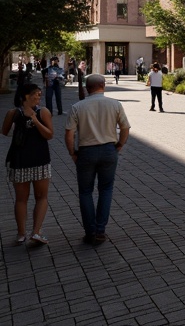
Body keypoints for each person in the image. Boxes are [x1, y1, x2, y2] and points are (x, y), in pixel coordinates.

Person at [65, 73, 130, 245]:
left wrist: (72, 152)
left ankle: (90, 231)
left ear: (87, 87)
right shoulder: (115, 104)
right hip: (109, 150)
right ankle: (100, 230)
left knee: (85, 192)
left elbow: (69, 133)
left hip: (86, 151)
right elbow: (125, 127)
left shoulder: (78, 106)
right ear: (103, 85)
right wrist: (120, 145)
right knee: (106, 189)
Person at [3, 82, 54, 245]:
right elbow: (5, 131)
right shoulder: (13, 113)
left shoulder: (42, 112)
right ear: (26, 96)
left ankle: (34, 232)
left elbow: (49, 134)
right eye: (37, 94)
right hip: (24, 160)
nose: (39, 97)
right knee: (23, 198)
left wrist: (35, 120)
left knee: (39, 197)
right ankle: (23, 233)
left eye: (40, 94)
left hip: (35, 160)